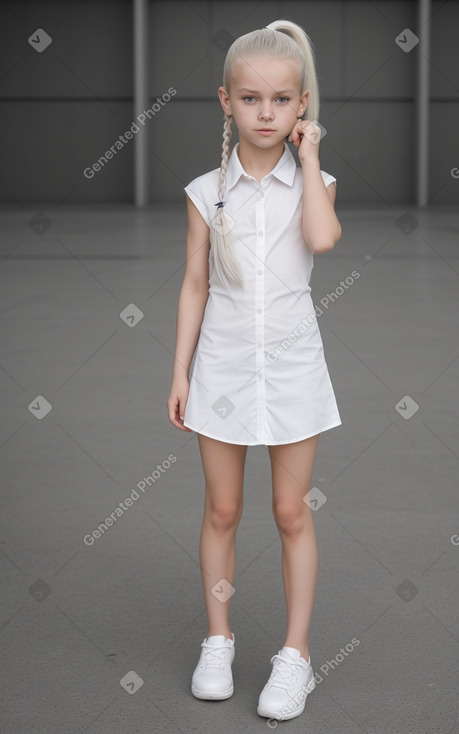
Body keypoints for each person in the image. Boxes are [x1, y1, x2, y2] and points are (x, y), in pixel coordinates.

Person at [167, 18, 342, 722]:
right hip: (223, 368)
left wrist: (309, 159)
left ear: (302, 106)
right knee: (223, 509)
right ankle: (219, 640)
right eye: (249, 99)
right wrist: (179, 373)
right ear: (224, 101)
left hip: (295, 369)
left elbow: (322, 240)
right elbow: (193, 286)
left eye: (280, 100)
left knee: (290, 511)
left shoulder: (315, 182)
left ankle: (294, 657)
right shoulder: (204, 192)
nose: (264, 113)